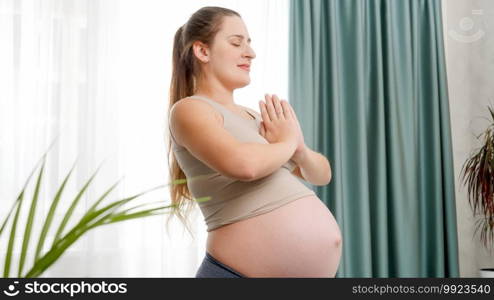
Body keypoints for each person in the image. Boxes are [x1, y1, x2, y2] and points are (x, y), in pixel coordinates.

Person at [167, 6, 342, 278]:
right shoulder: (190, 110)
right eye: (237, 42)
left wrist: (299, 149)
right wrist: (285, 143)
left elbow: (322, 174)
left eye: (249, 43)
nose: (250, 53)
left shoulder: (255, 117)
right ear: (202, 51)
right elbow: (243, 165)